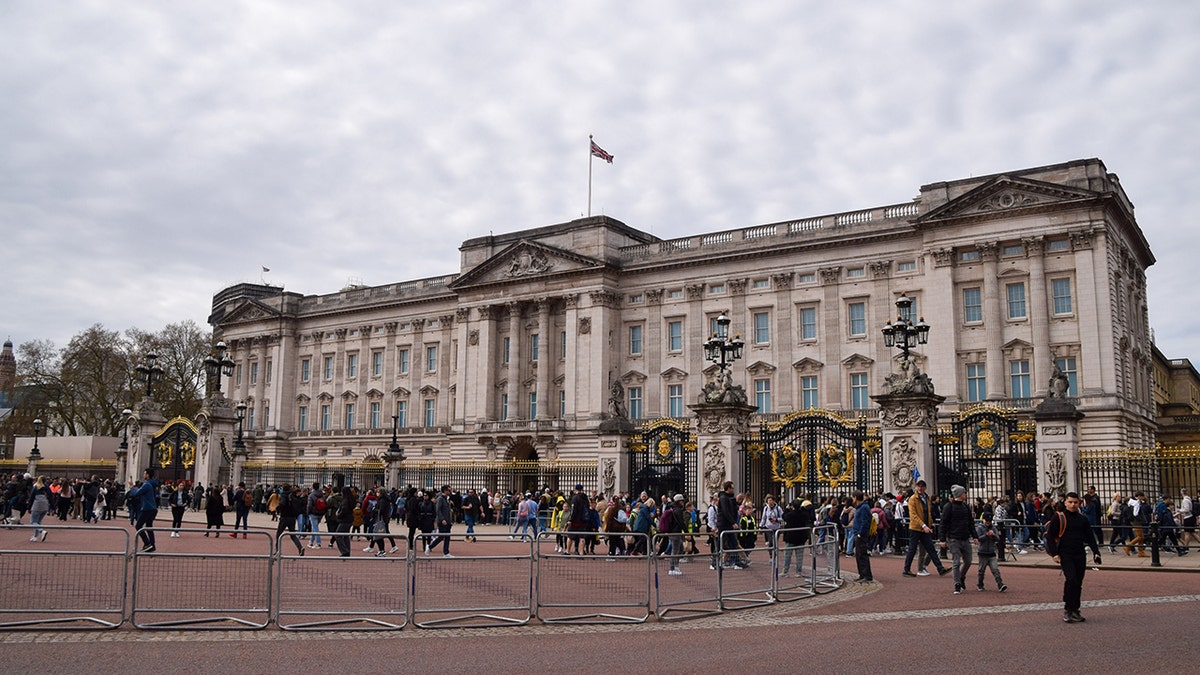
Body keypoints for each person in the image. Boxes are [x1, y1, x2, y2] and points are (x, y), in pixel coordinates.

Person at [1044, 491, 1102, 623]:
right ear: (1065, 503)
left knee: (1078, 582)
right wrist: (1055, 554)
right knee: (1071, 580)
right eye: (1070, 502)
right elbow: (1050, 537)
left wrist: (1096, 552)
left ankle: (1075, 609)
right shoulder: (1058, 517)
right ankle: (1068, 609)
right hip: (1065, 554)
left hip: (1079, 553)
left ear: (1079, 503)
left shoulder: (1083, 519)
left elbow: (1090, 537)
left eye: (1075, 502)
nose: (1073, 505)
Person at [902, 480, 950, 578]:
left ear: (925, 487)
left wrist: (930, 524)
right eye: (919, 486)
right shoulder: (912, 499)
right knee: (912, 549)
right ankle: (906, 569)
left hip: (925, 528)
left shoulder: (927, 498)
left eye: (922, 486)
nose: (920, 488)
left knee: (931, 549)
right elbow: (913, 515)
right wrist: (924, 525)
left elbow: (928, 513)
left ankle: (940, 568)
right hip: (915, 528)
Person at [938, 484, 975, 595]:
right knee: (956, 562)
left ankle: (961, 577)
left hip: (965, 537)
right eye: (964, 492)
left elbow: (971, 523)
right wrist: (942, 539)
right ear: (960, 494)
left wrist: (975, 536)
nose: (965, 494)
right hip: (953, 538)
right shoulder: (948, 507)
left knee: (968, 561)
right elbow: (943, 524)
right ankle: (957, 583)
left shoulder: (966, 507)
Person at [127, 469, 161, 552]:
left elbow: (136, 494)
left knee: (138, 526)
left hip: (147, 508)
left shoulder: (147, 485)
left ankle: (147, 543)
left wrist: (131, 487)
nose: (143, 474)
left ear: (148, 475)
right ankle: (152, 545)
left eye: (145, 473)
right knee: (149, 527)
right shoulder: (151, 484)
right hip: (152, 508)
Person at [974, 512, 1007, 592]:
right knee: (981, 570)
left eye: (990, 520)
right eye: (987, 520)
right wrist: (986, 535)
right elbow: (978, 538)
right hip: (983, 552)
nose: (988, 522)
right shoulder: (980, 528)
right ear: (983, 520)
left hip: (991, 552)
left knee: (995, 569)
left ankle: (1000, 584)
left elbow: (998, 539)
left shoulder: (993, 528)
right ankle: (980, 584)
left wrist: (993, 535)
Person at [849, 491, 873, 583]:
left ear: (855, 497)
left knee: (862, 555)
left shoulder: (863, 508)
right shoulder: (860, 507)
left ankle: (866, 575)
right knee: (859, 555)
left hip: (861, 535)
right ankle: (862, 574)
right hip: (857, 533)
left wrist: (860, 533)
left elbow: (865, 521)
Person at [275, 485, 307, 556]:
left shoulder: (284, 495)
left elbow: (282, 503)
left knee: (279, 535)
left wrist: (278, 509)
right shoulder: (293, 495)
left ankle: (278, 551)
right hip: (292, 518)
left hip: (284, 517)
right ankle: (300, 547)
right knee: (293, 535)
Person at [28, 476, 51, 542]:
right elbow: (51, 497)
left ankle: (41, 531)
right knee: (38, 521)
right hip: (45, 505)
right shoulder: (47, 487)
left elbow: (31, 498)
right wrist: (52, 507)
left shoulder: (36, 487)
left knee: (33, 522)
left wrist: (29, 507)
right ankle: (35, 536)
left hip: (37, 505)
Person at [334, 486, 354, 557]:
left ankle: (344, 551)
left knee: (338, 535)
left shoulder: (345, 501)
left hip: (344, 520)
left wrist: (338, 515)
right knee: (345, 536)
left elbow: (344, 511)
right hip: (349, 519)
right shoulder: (350, 499)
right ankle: (347, 551)